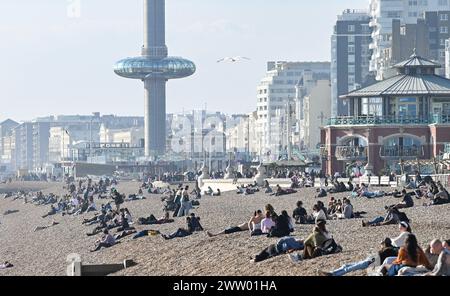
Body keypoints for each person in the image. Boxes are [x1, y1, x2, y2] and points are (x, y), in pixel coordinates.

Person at [318, 237, 398, 276]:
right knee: (347, 265)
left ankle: (333, 274)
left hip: (371, 262)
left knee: (350, 268)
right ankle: (332, 273)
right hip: (371, 260)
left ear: (385, 243)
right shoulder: (390, 249)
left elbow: (381, 257)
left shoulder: (388, 249)